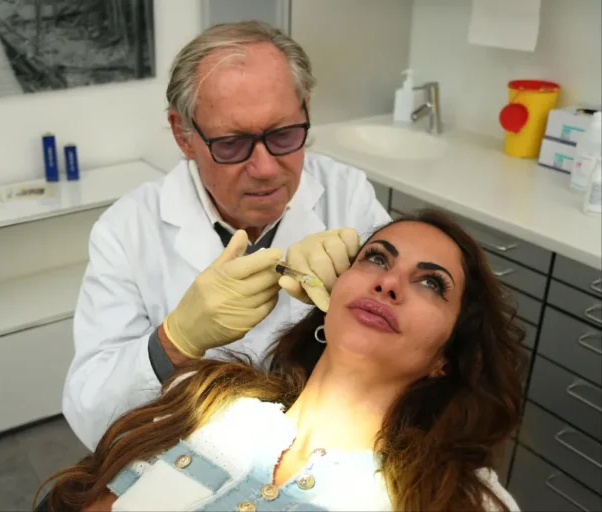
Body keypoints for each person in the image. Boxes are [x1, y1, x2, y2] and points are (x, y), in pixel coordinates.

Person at [38, 209, 528, 512]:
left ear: (445, 359)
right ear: (332, 293)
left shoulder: (445, 495)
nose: (388, 283)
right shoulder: (208, 400)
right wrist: (176, 337)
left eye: (431, 283)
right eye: (377, 258)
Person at [63, 20, 391, 450]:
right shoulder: (126, 231)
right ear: (183, 134)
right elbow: (90, 413)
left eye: (284, 134)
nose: (266, 168)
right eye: (232, 143)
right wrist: (175, 341)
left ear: (306, 109)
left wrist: (357, 286)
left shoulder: (347, 194)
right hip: (192, 450)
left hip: (325, 441)